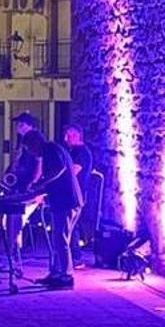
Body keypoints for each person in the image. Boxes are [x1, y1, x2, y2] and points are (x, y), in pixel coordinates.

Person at [25, 129, 83, 290]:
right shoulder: (52, 149)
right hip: (63, 200)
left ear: (34, 144)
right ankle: (56, 272)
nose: (31, 153)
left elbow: (58, 170)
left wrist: (40, 185)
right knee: (57, 239)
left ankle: (66, 275)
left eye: (30, 148)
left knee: (60, 238)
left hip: (67, 201)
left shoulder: (51, 150)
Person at [63, 124, 99, 258]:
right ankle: (73, 255)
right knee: (72, 225)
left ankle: (74, 256)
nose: (66, 139)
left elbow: (73, 171)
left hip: (76, 193)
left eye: (70, 135)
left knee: (71, 225)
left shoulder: (81, 152)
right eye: (66, 135)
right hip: (73, 192)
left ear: (78, 135)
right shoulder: (74, 151)